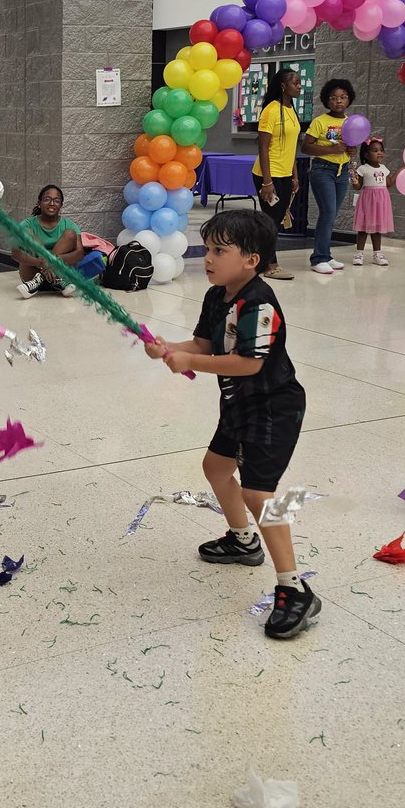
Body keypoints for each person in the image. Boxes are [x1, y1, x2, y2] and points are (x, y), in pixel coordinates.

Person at [144, 210, 320, 640]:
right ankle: (243, 540)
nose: (208, 258)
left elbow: (247, 361)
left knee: (259, 492)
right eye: (207, 248)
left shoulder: (259, 303)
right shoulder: (218, 294)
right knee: (216, 468)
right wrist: (170, 347)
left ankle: (295, 589)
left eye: (220, 250)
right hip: (239, 405)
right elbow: (205, 343)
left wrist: (189, 362)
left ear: (251, 260)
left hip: (274, 408)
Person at [301, 79, 356, 275]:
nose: (338, 102)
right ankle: (318, 258)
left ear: (349, 99)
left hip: (342, 170)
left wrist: (351, 150)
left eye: (342, 98)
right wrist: (330, 149)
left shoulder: (350, 122)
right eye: (333, 98)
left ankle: (327, 254)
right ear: (327, 101)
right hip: (322, 169)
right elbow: (306, 147)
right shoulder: (320, 122)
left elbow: (352, 145)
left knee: (332, 214)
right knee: (327, 212)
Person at [251, 68, 301, 280]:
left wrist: (295, 176)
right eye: (295, 83)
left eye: (299, 83)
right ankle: (270, 265)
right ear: (283, 86)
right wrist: (267, 181)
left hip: (285, 173)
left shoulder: (291, 110)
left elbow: (292, 146)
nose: (299, 86)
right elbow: (263, 147)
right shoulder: (271, 110)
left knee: (275, 219)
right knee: (270, 222)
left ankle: (257, 258)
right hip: (268, 174)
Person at [13, 185, 84, 299]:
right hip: (31, 276)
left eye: (57, 200)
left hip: (62, 278)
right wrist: (40, 262)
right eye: (47, 199)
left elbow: (80, 254)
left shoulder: (69, 225)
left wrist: (54, 261)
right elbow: (15, 253)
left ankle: (47, 277)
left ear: (61, 205)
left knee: (70, 234)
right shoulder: (27, 224)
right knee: (27, 233)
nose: (52, 203)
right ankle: (40, 277)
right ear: (39, 203)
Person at [351, 138, 396, 266]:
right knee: (363, 228)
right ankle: (359, 253)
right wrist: (354, 179)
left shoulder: (384, 168)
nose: (379, 153)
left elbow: (389, 183)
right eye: (375, 150)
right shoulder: (363, 169)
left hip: (381, 201)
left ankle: (377, 254)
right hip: (367, 200)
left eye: (381, 150)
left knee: (377, 228)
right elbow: (357, 186)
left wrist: (400, 172)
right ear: (366, 154)